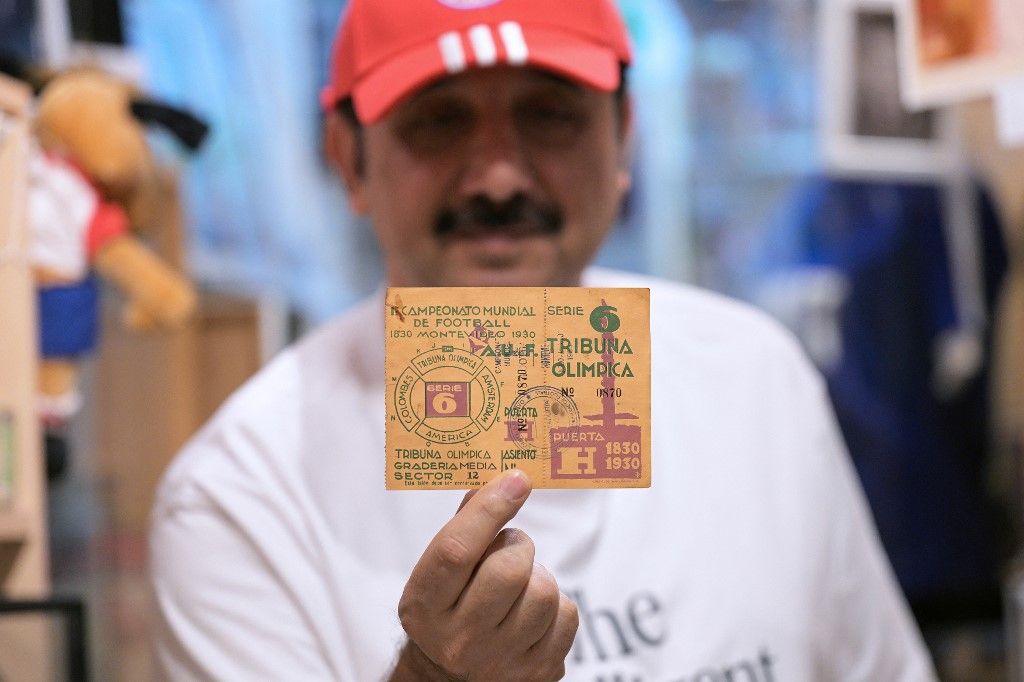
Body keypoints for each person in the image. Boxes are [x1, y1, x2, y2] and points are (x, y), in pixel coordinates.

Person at [149, 1, 937, 679]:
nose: (498, 179)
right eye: (438, 121)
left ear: (623, 137)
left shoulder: (754, 380)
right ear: (349, 159)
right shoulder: (242, 495)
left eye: (550, 114)